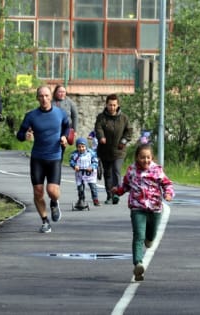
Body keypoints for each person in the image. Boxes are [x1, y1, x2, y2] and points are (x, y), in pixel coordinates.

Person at [112, 144, 174, 281]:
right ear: (137, 158)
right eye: (142, 157)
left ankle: (150, 238)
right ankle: (138, 264)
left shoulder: (157, 170)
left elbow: (167, 184)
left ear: (152, 158)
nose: (145, 160)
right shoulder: (131, 171)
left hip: (155, 208)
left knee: (151, 236)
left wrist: (168, 194)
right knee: (138, 235)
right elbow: (126, 186)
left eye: (148, 157)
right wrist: (118, 191)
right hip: (137, 208)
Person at [16, 86, 70, 233]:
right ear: (37, 98)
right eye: (41, 96)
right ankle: (45, 221)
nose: (44, 99)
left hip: (54, 156)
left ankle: (54, 202)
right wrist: (25, 136)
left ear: (51, 97)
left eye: (46, 96)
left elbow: (67, 126)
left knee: (52, 190)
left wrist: (64, 136)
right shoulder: (31, 116)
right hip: (38, 158)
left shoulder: (60, 113)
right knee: (38, 192)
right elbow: (19, 134)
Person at [94, 94, 132, 204]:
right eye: (110, 105)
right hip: (105, 150)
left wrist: (123, 141)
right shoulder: (101, 117)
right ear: (106, 105)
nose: (112, 107)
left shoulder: (123, 118)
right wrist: (101, 137)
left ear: (118, 105)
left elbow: (129, 131)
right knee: (108, 173)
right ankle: (109, 195)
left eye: (114, 105)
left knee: (116, 170)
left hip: (119, 150)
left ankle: (117, 194)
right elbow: (98, 128)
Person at [69, 137, 100, 207]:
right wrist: (74, 166)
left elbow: (95, 161)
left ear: (86, 146)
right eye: (79, 147)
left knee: (93, 187)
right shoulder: (75, 154)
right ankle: (81, 199)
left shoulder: (91, 153)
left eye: (83, 147)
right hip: (80, 173)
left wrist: (92, 167)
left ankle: (95, 199)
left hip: (90, 173)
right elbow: (71, 161)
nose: (81, 148)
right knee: (80, 188)